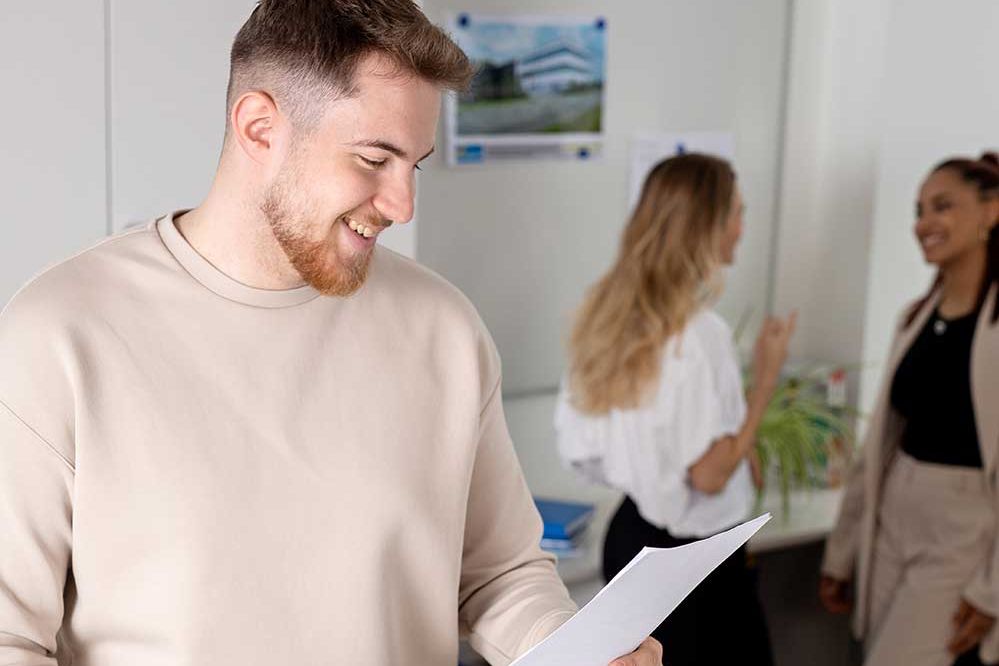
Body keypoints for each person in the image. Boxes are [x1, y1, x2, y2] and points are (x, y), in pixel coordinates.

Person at [0, 2, 662, 664]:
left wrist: (575, 650)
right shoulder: (60, 334)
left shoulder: (443, 329)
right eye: (375, 158)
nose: (402, 204)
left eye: (415, 164)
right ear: (260, 129)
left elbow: (500, 576)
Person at [555, 153, 795, 665]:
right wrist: (766, 380)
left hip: (630, 541)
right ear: (709, 225)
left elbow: (582, 451)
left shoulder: (604, 319)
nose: (741, 228)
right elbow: (708, 476)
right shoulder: (700, 335)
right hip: (692, 562)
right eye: (737, 213)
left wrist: (652, 464)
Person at [821, 152, 999, 666]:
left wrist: (992, 590)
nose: (924, 224)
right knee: (873, 650)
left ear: (991, 212)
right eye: (919, 211)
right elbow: (878, 443)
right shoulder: (914, 319)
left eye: (942, 207)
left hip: (963, 527)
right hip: (893, 512)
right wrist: (842, 552)